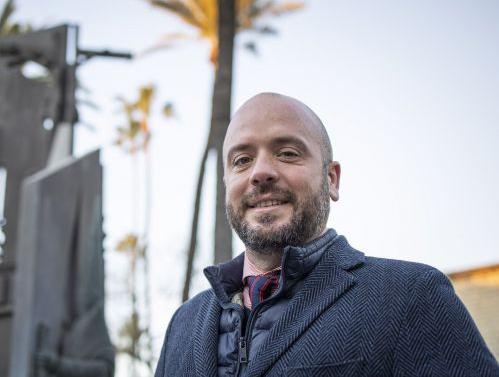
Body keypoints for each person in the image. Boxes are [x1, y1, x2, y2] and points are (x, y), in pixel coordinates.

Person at [155, 93, 498, 376]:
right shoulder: (182, 326)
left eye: (287, 153)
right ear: (227, 183)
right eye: (242, 160)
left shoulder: (409, 296)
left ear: (331, 179)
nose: (260, 172)